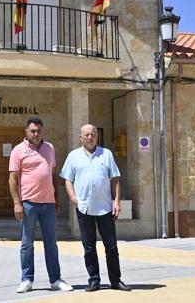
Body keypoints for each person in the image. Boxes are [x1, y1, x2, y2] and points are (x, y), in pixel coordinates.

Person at [60, 124, 131, 292]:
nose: (90, 137)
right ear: (81, 138)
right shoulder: (73, 156)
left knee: (111, 247)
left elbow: (115, 178)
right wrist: (73, 198)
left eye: (93, 134)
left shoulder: (106, 154)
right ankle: (94, 280)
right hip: (84, 208)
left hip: (105, 208)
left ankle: (116, 281)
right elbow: (67, 180)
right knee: (89, 247)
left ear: (97, 137)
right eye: (86, 135)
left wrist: (116, 201)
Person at [8, 117, 73, 293]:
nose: (36, 134)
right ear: (26, 132)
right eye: (33, 131)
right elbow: (13, 179)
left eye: (39, 131)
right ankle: (26, 280)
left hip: (48, 204)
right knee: (27, 243)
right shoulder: (18, 150)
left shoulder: (49, 148)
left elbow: (52, 175)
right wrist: (17, 203)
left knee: (51, 243)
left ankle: (56, 279)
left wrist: (57, 196)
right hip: (28, 204)